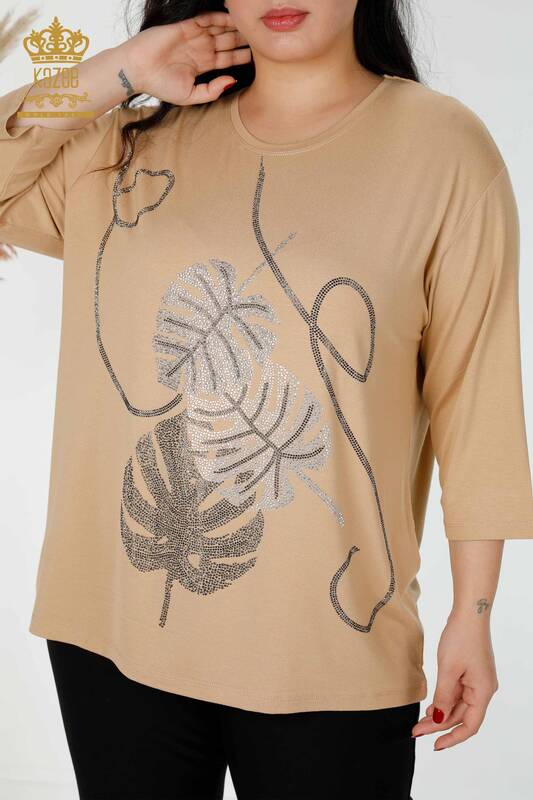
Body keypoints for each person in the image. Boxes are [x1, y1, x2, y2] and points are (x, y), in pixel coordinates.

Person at [1, 1, 532, 798]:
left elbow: (475, 402)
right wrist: (123, 70)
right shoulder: (130, 143)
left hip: (327, 651)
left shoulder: (443, 149)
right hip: (112, 631)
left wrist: (474, 614)